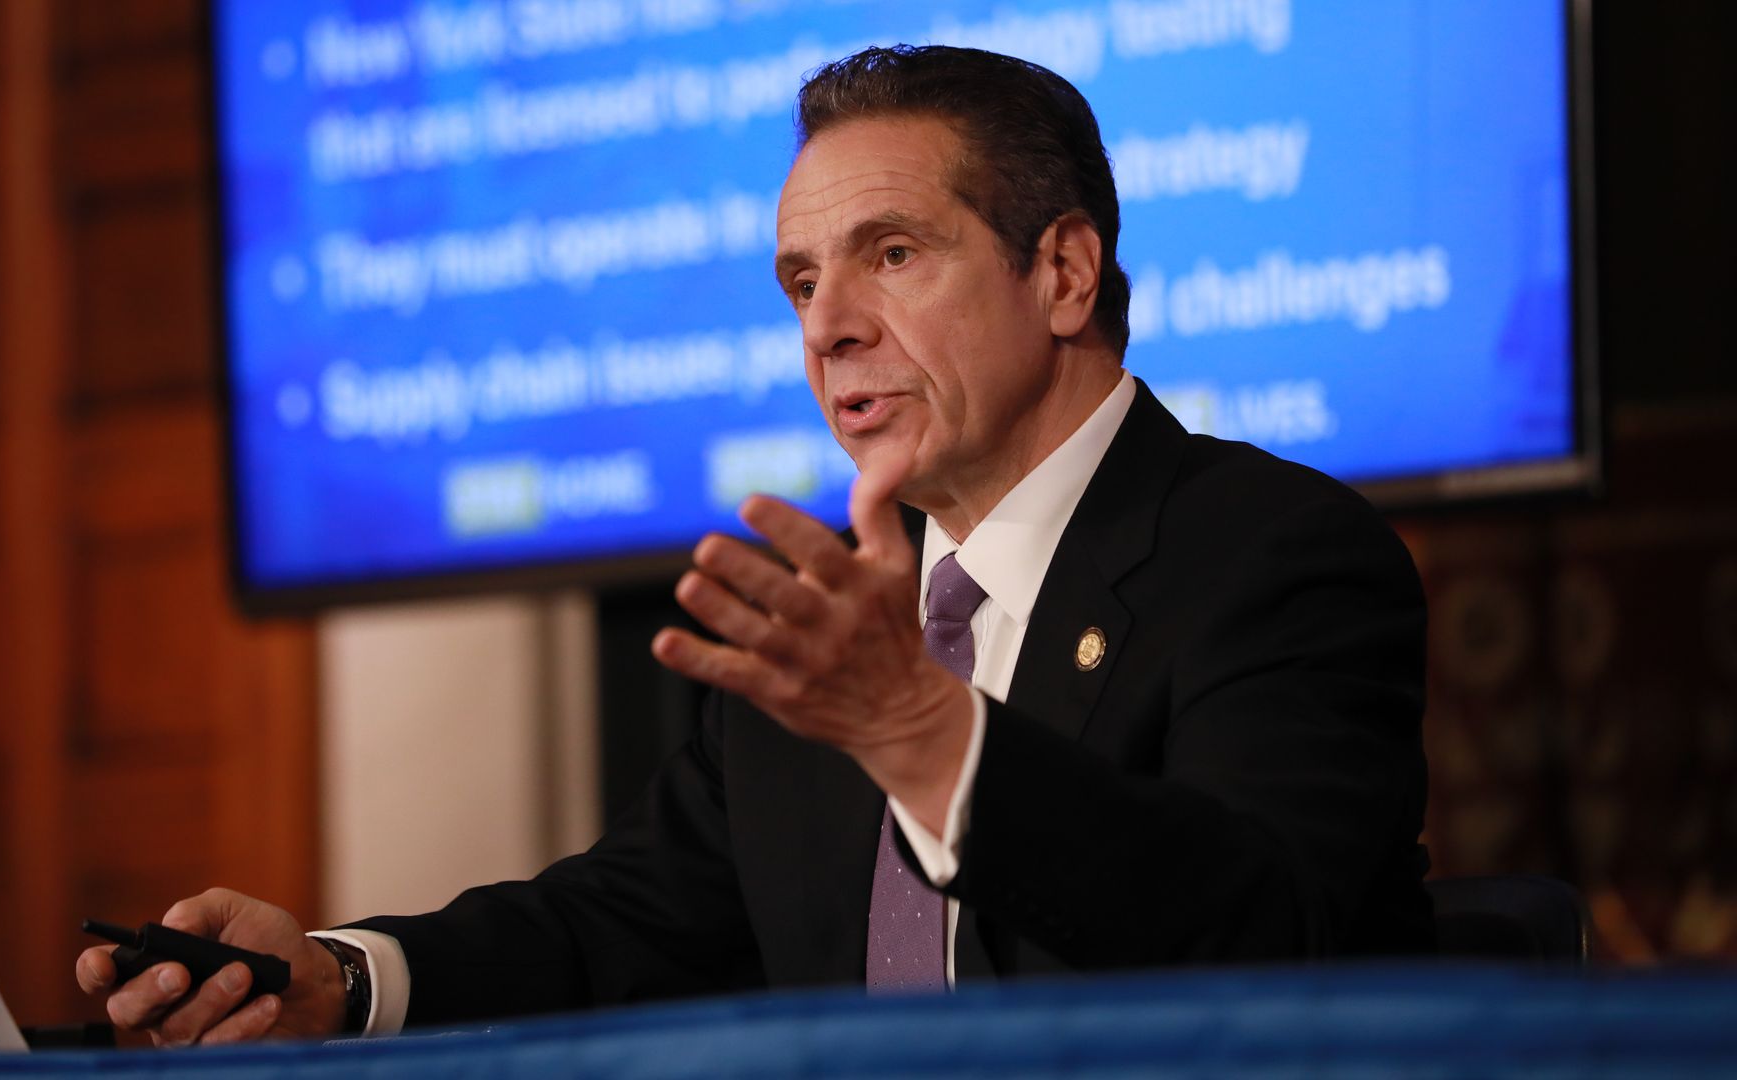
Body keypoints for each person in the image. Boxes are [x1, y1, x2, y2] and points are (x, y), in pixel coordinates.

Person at [78, 44, 1430, 1046]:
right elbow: (619, 924)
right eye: (800, 279)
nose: (826, 324)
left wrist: (921, 734)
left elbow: (1274, 943)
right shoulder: (823, 627)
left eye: (891, 254)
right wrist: (342, 975)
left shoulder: (1276, 558)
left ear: (1064, 274)